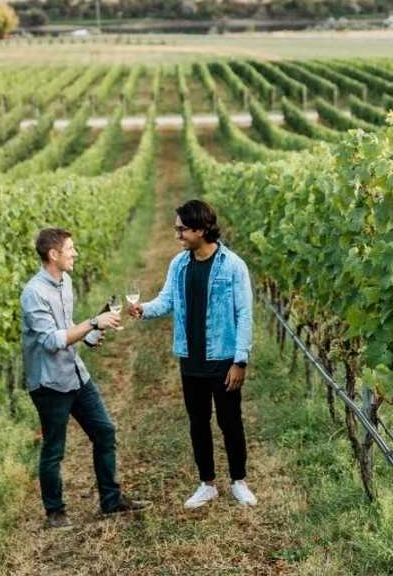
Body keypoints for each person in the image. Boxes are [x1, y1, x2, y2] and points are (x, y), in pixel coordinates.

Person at [131, 199, 257, 509]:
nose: (177, 236)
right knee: (198, 422)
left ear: (200, 229)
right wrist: (143, 309)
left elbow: (245, 314)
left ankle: (238, 481)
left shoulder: (232, 265)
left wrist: (240, 360)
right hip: (191, 359)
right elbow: (167, 300)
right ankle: (207, 484)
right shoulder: (179, 264)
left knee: (230, 422)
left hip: (223, 359)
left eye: (181, 230)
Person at [20, 226, 147, 530]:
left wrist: (89, 335)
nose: (75, 253)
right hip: (49, 382)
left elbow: (66, 328)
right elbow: (51, 341)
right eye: (70, 249)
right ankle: (55, 513)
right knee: (54, 449)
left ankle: (111, 501)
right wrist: (93, 322)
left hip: (75, 373)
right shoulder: (33, 293)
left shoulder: (66, 282)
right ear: (53, 254)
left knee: (104, 431)